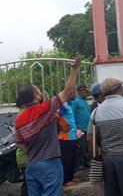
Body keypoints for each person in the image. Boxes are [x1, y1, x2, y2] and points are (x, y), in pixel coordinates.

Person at [14, 56, 81, 196]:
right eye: (39, 91)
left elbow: (20, 144)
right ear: (35, 96)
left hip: (32, 166)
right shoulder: (46, 108)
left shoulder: (19, 120)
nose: (41, 93)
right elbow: (68, 91)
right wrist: (74, 69)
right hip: (49, 163)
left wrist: (34, 151)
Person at [58, 89, 81, 186]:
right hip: (65, 137)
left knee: (73, 158)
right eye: (73, 93)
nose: (75, 95)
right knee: (67, 159)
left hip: (72, 136)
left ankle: (70, 177)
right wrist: (62, 125)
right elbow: (55, 115)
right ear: (67, 94)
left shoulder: (70, 104)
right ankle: (65, 180)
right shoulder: (63, 105)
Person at [87, 82, 105, 196]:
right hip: (100, 150)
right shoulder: (96, 109)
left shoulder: (98, 107)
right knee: (99, 180)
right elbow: (91, 136)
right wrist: (96, 156)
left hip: (100, 149)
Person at [73, 84, 91, 169]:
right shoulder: (76, 101)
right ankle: (80, 164)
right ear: (80, 91)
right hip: (80, 128)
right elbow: (72, 115)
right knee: (81, 147)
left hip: (87, 128)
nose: (87, 93)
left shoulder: (84, 101)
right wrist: (75, 128)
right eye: (85, 91)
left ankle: (86, 162)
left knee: (87, 147)